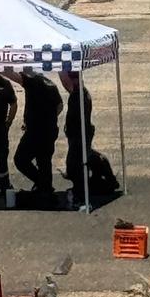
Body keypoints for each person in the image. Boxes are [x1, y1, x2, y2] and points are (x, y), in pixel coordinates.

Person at [11, 68, 63, 195]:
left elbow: (14, 77)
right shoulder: (49, 83)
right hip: (49, 130)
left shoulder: (32, 81)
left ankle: (42, 184)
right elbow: (60, 105)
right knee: (44, 161)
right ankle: (46, 191)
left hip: (36, 131)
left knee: (20, 159)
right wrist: (49, 119)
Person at [58, 70, 94, 202]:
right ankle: (79, 189)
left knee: (75, 164)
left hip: (80, 134)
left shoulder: (79, 95)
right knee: (76, 163)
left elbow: (78, 118)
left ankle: (80, 192)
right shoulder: (81, 93)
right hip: (79, 133)